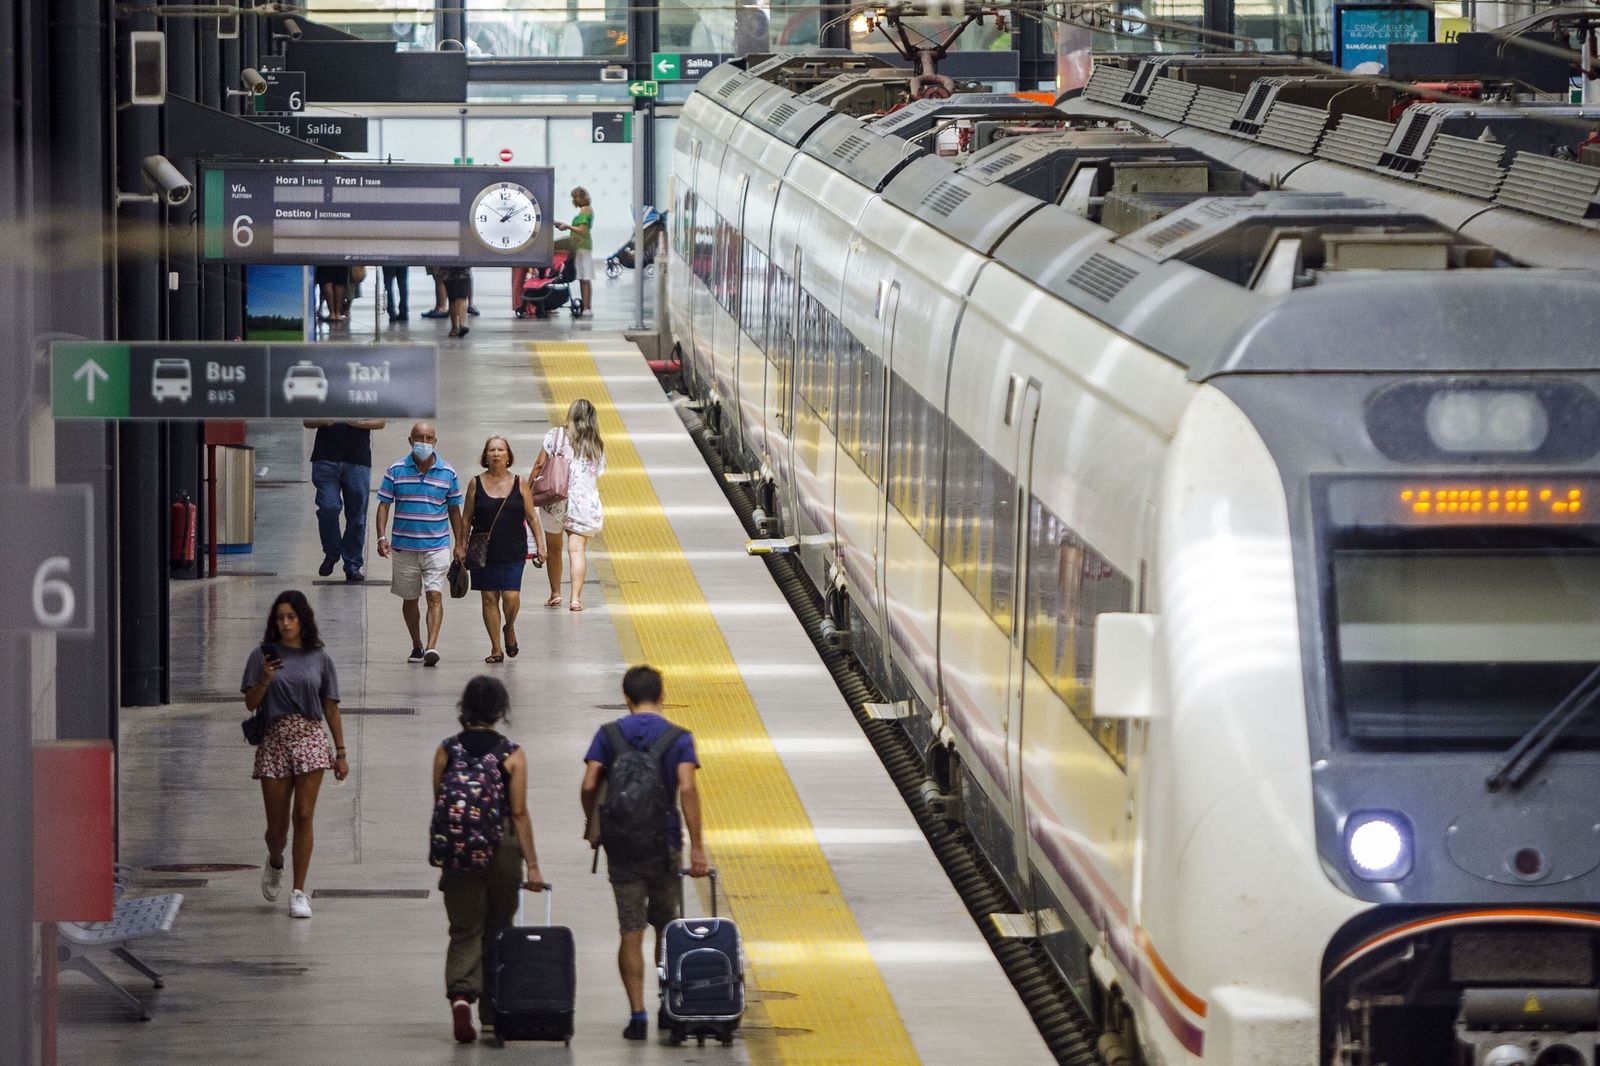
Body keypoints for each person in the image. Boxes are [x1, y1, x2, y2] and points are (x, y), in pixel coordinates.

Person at [580, 665, 709, 1041]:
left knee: (630, 929)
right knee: (666, 928)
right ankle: (668, 1006)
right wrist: (697, 846)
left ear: (626, 697)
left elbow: (589, 784)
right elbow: (687, 790)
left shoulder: (608, 735)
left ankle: (637, 1015)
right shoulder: (679, 737)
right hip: (663, 844)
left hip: (622, 847)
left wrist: (593, 825)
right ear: (662, 696)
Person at [432, 676, 546, 1044]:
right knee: (498, 927)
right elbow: (519, 813)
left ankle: (462, 996)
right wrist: (532, 864)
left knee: (465, 928)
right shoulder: (512, 754)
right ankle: (494, 1014)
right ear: (500, 711)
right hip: (500, 849)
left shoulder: (446, 750)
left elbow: (441, 801)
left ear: (464, 708)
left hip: (459, 851)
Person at [241, 590, 349, 919]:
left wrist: (340, 752)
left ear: (303, 620)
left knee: (303, 816)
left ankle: (299, 891)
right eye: (280, 618)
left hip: (310, 737)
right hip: (275, 738)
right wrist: (265, 678)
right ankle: (276, 860)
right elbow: (250, 703)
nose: (286, 623)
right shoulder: (262, 655)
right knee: (277, 830)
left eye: (291, 617)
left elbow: (330, 705)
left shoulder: (320, 657)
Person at [375, 421, 465, 666]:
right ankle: (416, 643)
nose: (423, 442)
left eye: (428, 438)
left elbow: (454, 510)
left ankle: (431, 647)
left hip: (437, 546)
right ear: (410, 440)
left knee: (435, 596)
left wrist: (459, 543)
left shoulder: (448, 472)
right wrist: (381, 537)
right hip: (404, 548)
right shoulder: (395, 470)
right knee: (410, 599)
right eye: (419, 437)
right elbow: (384, 504)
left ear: (435, 442)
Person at [461, 436, 540, 663]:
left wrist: (540, 546)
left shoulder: (520, 483)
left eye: (501, 450)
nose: (496, 453)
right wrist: (460, 545)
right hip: (483, 551)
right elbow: (466, 519)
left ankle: (510, 627)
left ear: (508, 456)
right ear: (485, 456)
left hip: (514, 550)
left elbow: (532, 518)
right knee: (489, 598)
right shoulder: (475, 483)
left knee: (511, 596)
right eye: (492, 450)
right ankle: (496, 648)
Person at [531, 398, 605, 612]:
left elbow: (539, 465)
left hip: (555, 498)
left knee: (554, 548)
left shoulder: (554, 435)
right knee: (577, 550)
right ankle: (575, 599)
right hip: (582, 503)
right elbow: (598, 472)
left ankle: (555, 594)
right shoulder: (595, 443)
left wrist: (526, 489)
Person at [305, 418, 385, 582]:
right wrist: (326, 420)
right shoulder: (324, 392)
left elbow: (380, 422)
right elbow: (307, 421)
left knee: (357, 516)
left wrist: (355, 422)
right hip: (325, 458)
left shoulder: (365, 394)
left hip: (357, 460)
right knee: (328, 507)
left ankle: (352, 564)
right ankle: (332, 551)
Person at [553, 187, 593, 316]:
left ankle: (587, 308)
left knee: (584, 278)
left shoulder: (585, 210)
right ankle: (587, 307)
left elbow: (582, 230)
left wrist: (567, 226)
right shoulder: (586, 210)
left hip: (582, 246)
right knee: (583, 278)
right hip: (581, 246)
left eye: (574, 198)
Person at [440, 266, 473, 338]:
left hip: (449, 270)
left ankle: (457, 327)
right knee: (458, 297)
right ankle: (458, 326)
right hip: (460, 269)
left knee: (455, 298)